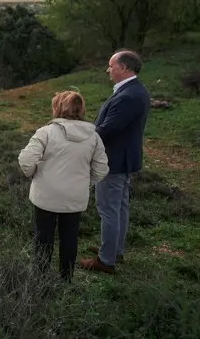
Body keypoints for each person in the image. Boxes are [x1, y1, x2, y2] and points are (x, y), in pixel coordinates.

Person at [18, 91, 109, 281]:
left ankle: (40, 279)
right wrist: (85, 183)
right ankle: (66, 279)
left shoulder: (46, 132)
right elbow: (101, 168)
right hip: (75, 196)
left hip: (45, 196)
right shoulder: (93, 137)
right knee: (70, 237)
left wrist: (33, 175)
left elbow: (26, 160)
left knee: (43, 237)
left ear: (57, 108)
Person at [80, 50, 150, 275]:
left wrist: (81, 139)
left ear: (124, 68)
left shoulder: (128, 96)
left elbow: (107, 130)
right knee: (119, 207)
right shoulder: (134, 90)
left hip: (113, 160)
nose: (108, 70)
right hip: (124, 158)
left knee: (108, 209)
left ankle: (106, 260)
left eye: (111, 66)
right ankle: (114, 249)